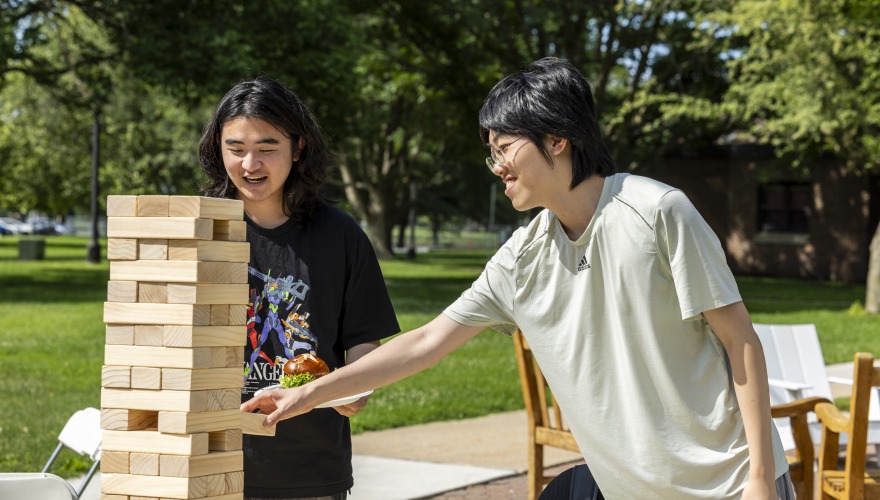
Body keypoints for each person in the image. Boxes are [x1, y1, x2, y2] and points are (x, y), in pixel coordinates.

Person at [242, 59, 794, 499]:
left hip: (728, 485)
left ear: (557, 139)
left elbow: (739, 341)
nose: (497, 166)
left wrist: (763, 482)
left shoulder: (657, 211)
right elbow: (428, 342)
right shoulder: (521, 257)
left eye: (504, 148)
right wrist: (307, 396)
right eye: (492, 154)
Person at [199, 76, 400, 500]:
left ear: (299, 147)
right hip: (210, 464)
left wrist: (354, 390)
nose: (250, 164)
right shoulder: (200, 230)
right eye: (235, 149)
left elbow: (364, 342)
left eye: (267, 149)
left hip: (310, 471)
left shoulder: (341, 236)